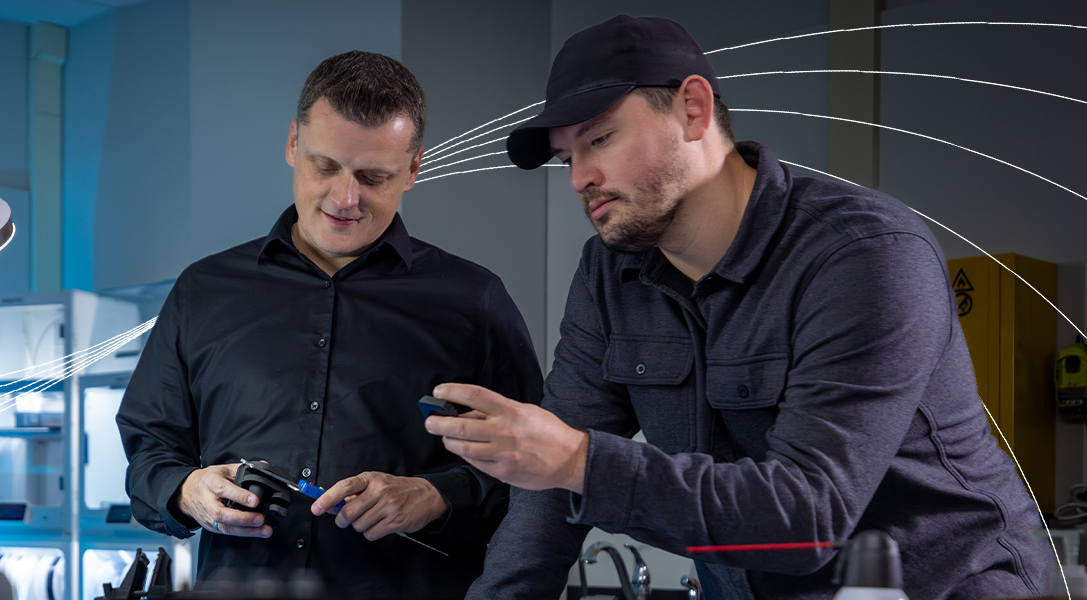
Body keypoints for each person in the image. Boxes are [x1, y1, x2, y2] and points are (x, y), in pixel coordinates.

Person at [427, 15, 1052, 599]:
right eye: (569, 157)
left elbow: (807, 516)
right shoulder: (609, 274)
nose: (579, 178)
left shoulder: (864, 254)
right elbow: (543, 498)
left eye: (601, 139)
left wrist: (576, 460)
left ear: (693, 109)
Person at [115, 50, 543, 599]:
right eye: (325, 166)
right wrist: (187, 489)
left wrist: (437, 496)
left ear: (413, 170)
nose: (345, 198)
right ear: (293, 144)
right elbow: (150, 450)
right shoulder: (203, 290)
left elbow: (536, 474)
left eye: (374, 176)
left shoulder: (474, 300)